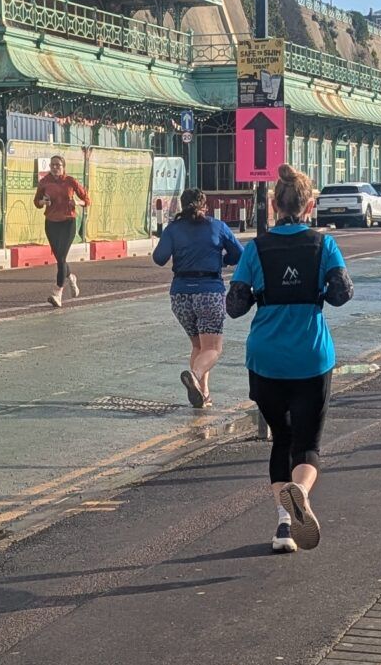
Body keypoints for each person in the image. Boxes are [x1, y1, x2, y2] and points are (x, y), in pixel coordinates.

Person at [229, 165, 354, 554]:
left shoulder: (256, 248)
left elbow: (234, 306)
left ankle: (285, 525)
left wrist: (260, 291)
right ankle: (300, 491)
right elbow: (341, 293)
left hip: (265, 359)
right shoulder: (323, 245)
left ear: (272, 204)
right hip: (311, 357)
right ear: (310, 204)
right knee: (307, 442)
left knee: (280, 438)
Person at [151, 187, 244, 408]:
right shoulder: (217, 226)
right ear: (205, 205)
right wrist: (222, 261)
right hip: (209, 291)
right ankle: (195, 374)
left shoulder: (174, 229)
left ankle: (203, 394)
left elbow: (159, 258)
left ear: (182, 206)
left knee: (199, 346)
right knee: (213, 348)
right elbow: (239, 253)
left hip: (180, 294)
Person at [33, 155, 90, 307]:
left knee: (62, 257)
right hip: (51, 223)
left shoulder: (70, 181)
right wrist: (43, 202)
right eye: (52, 165)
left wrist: (77, 202)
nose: (55, 167)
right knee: (60, 259)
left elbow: (87, 200)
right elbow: (36, 202)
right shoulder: (45, 182)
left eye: (58, 165)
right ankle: (71, 277)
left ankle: (57, 292)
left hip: (68, 222)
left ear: (64, 167)